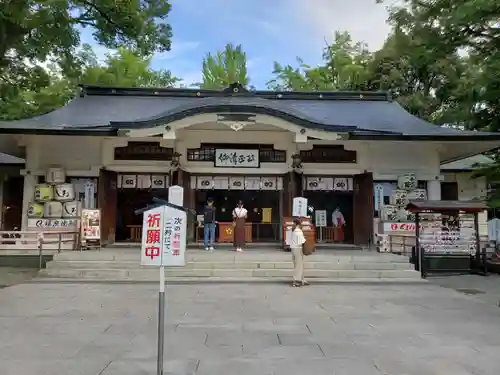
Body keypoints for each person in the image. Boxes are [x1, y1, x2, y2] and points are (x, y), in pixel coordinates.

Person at [290, 217, 308, 287]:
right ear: (299, 224)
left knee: (297, 265)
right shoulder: (299, 231)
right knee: (299, 266)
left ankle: (302, 279)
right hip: (298, 249)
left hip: (293, 249)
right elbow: (302, 241)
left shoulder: (293, 230)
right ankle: (297, 280)